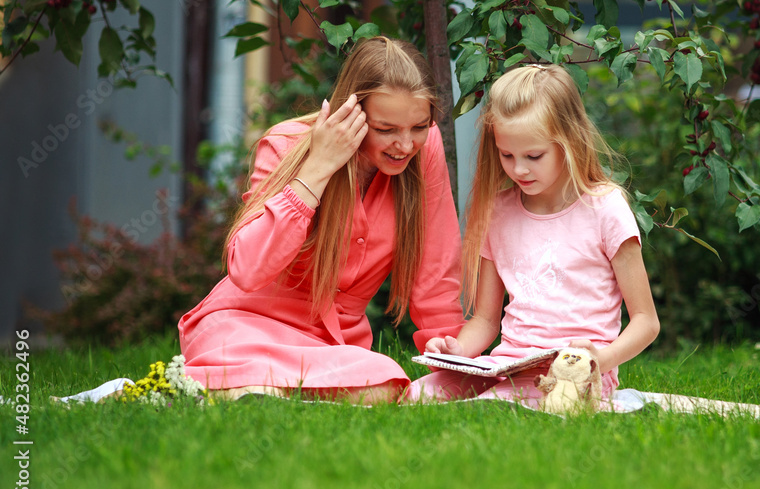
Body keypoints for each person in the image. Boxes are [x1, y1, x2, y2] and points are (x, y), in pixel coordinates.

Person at [178, 36, 465, 403]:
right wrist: (318, 167)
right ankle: (257, 388)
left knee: (385, 383)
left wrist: (451, 365)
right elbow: (247, 270)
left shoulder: (427, 150)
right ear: (352, 112)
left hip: (334, 346)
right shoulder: (284, 144)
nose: (406, 144)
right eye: (386, 130)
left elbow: (436, 268)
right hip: (246, 325)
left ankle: (254, 391)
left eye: (419, 127)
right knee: (240, 354)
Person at [404, 64, 660, 406]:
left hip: (575, 374)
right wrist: (458, 350)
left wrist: (603, 359)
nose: (519, 168)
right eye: (506, 155)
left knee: (504, 405)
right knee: (419, 395)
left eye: (533, 156)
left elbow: (646, 321)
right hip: (506, 365)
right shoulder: (499, 211)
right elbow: (484, 319)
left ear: (569, 140)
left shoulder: (606, 208)